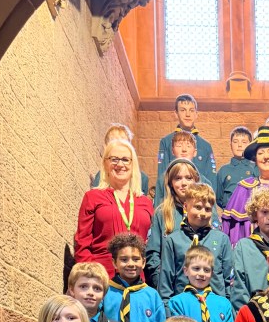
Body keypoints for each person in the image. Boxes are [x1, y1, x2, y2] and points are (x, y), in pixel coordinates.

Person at [75, 139, 154, 278]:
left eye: (125, 159)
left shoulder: (145, 202)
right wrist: (90, 276)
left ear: (133, 165)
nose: (120, 164)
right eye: (114, 159)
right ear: (105, 164)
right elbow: (82, 243)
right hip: (101, 277)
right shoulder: (93, 197)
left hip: (135, 277)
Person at [158, 181, 232, 304]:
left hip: (215, 307)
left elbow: (229, 281)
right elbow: (165, 284)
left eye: (207, 209)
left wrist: (228, 308)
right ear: (185, 207)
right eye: (197, 207)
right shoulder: (173, 240)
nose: (202, 213)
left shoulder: (222, 240)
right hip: (182, 309)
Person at [230, 187, 269, 313]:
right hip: (254, 312)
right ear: (255, 214)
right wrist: (247, 316)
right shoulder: (244, 246)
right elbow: (239, 288)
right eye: (264, 212)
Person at [155, 94, 216, 208]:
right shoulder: (166, 141)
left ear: (196, 113)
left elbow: (211, 181)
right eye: (183, 110)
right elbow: (162, 177)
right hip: (172, 203)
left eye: (191, 110)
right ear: (176, 113)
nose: (188, 114)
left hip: (199, 204)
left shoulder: (206, 146)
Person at [90, 123, 150, 196]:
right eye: (113, 143)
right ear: (106, 147)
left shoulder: (142, 178)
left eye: (123, 143)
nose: (118, 147)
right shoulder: (101, 176)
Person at [216, 127, 257, 209]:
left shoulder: (256, 168)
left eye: (244, 142)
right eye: (235, 142)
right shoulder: (223, 171)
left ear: (250, 145)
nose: (239, 145)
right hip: (230, 214)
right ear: (230, 145)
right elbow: (219, 198)